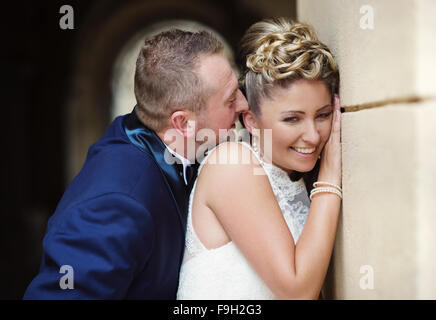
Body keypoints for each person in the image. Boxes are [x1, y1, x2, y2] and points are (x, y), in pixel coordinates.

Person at [23, 29, 248, 299]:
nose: (244, 105)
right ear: (183, 123)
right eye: (231, 99)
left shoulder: (193, 149)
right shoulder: (115, 204)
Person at [176, 18, 342, 299]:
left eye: (323, 115)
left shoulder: (291, 176)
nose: (313, 136)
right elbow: (298, 291)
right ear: (251, 121)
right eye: (292, 119)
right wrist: (329, 177)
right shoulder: (231, 164)